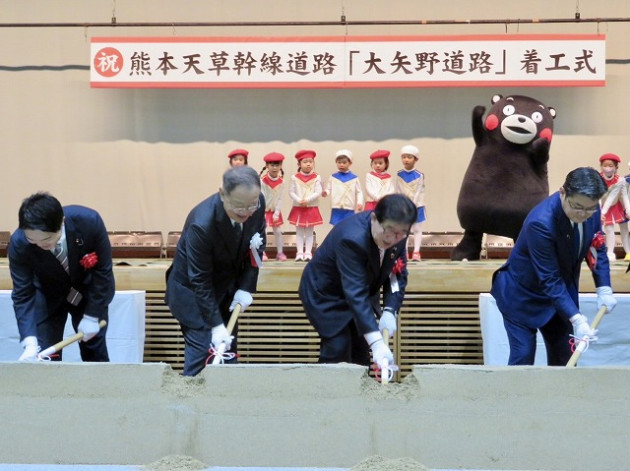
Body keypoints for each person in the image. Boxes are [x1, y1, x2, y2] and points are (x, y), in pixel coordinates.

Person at [491, 167, 618, 366]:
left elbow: (597, 247)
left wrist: (604, 287)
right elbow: (550, 278)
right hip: (523, 296)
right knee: (523, 357)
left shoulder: (590, 209)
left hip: (559, 296)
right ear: (562, 192)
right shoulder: (540, 223)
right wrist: (577, 319)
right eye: (577, 207)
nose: (583, 214)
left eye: (590, 208)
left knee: (566, 359)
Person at [165, 166, 266, 376]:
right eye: (239, 206)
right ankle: (191, 395)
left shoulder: (256, 202)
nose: (246, 212)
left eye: (252, 205)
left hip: (227, 289)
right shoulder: (202, 223)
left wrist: (246, 286)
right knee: (203, 356)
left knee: (226, 354)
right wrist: (216, 325)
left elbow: (256, 243)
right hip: (194, 296)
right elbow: (199, 280)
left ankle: (226, 395)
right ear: (223, 194)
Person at [299, 193, 417, 368]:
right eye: (389, 230)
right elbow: (355, 292)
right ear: (374, 218)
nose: (392, 239)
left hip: (358, 291)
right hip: (326, 294)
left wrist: (390, 309)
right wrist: (377, 342)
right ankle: (327, 385)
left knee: (360, 351)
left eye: (401, 233)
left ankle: (360, 384)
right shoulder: (352, 239)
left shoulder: (399, 234)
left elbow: (396, 275)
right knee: (338, 347)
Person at [9, 192, 114, 362]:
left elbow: (103, 272)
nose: (41, 245)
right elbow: (23, 293)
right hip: (48, 294)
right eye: (32, 240)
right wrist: (29, 340)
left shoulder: (89, 222)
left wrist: (92, 316)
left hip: (86, 292)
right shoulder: (19, 242)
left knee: (93, 347)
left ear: (62, 222)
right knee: (45, 353)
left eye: (47, 239)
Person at [288, 149, 323, 261]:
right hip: (298, 208)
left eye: (310, 161)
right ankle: (299, 253)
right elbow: (291, 192)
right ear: (299, 164)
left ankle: (308, 253)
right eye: (305, 162)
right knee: (299, 232)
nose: (308, 164)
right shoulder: (294, 177)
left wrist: (307, 200)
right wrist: (299, 200)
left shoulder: (317, 177)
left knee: (309, 232)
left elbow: (318, 192)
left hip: (311, 208)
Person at [395, 145, 426, 262]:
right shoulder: (399, 174)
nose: (406, 160)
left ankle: (416, 252)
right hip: (403, 207)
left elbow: (418, 192)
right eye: (404, 157)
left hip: (417, 206)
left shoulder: (419, 175)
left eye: (409, 157)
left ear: (415, 159)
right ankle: (404, 252)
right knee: (404, 230)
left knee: (417, 228)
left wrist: (412, 205)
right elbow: (398, 191)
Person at [598, 153, 630, 261]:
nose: (607, 168)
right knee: (608, 229)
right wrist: (600, 212)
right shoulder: (597, 179)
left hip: (617, 206)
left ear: (616, 167)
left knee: (623, 229)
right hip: (603, 207)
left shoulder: (620, 180)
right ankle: (609, 252)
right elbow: (597, 197)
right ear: (601, 166)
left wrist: (628, 210)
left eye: (610, 165)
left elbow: (624, 196)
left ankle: (627, 252)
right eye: (605, 165)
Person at [322, 149, 364, 225]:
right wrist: (326, 192)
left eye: (344, 163)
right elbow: (329, 188)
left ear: (350, 163)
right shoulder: (333, 177)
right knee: (336, 226)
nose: (341, 165)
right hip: (336, 207)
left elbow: (359, 192)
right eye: (339, 162)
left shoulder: (354, 178)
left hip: (349, 208)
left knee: (348, 225)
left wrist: (359, 202)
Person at [260, 151, 288, 262]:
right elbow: (261, 198)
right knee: (263, 231)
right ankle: (262, 252)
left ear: (281, 166)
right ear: (267, 166)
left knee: (278, 232)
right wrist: (262, 212)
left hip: (275, 211)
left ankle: (280, 253)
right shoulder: (262, 180)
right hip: (264, 211)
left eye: (277, 165)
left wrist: (276, 213)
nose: (274, 168)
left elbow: (280, 198)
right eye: (272, 165)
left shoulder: (282, 181)